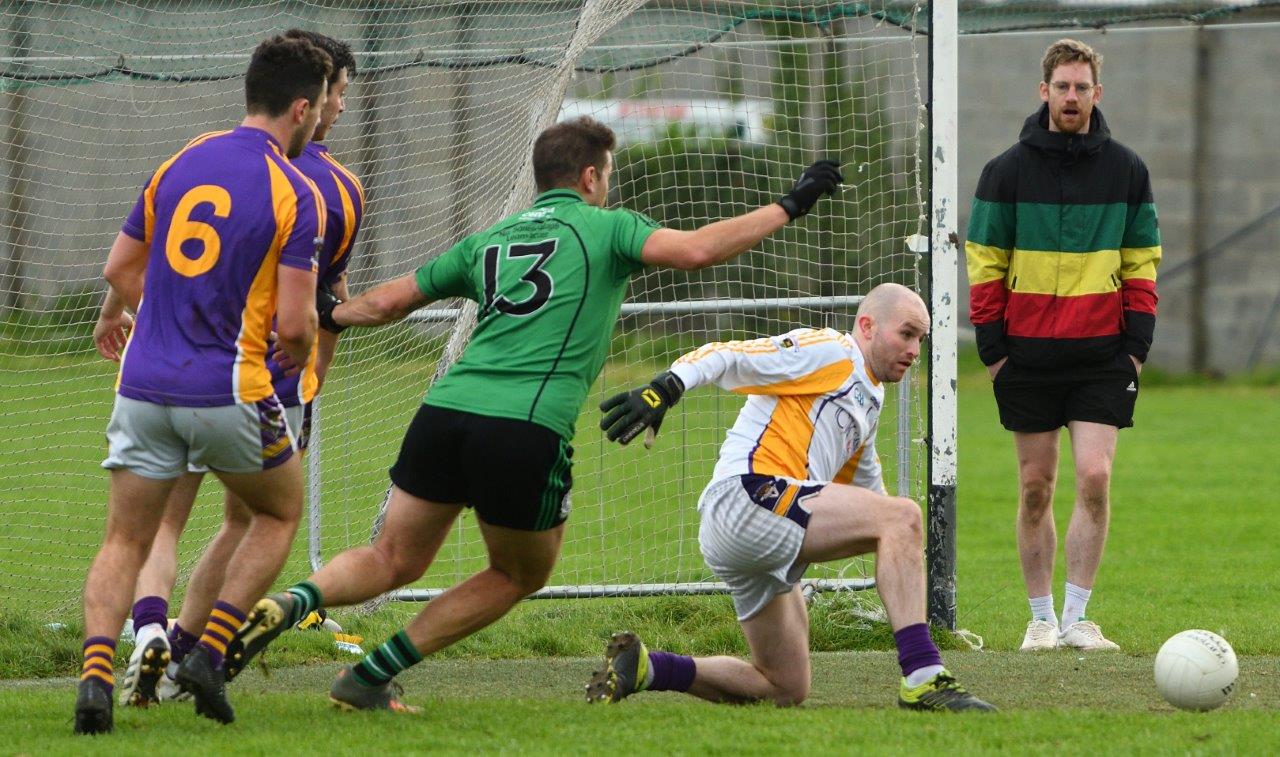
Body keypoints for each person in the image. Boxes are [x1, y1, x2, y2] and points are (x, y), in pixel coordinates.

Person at [221, 116, 844, 710]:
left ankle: (294, 599)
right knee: (518, 573)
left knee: (391, 557)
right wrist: (788, 206)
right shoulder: (606, 227)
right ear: (590, 179)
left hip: (443, 411)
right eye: (608, 174)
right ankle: (369, 675)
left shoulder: (492, 237)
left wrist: (329, 312)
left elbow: (389, 302)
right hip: (524, 426)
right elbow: (699, 250)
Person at [96, 29, 363, 711]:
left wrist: (146, 318)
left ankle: (122, 654)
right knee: (268, 516)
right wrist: (304, 363)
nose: (338, 108)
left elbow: (123, 267)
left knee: (140, 531)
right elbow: (309, 318)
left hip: (149, 378)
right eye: (336, 95)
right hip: (241, 385)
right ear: (311, 104)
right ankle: (207, 650)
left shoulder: (185, 157)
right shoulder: (314, 188)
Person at [585, 284, 994, 711]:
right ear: (867, 326)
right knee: (902, 517)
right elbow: (728, 355)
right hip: (746, 497)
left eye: (920, 340)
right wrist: (664, 388)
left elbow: (870, 497)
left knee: (785, 686)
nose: (914, 349)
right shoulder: (833, 351)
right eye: (906, 334)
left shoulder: (870, 398)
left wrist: (899, 544)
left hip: (752, 533)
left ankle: (648, 668)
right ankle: (924, 676)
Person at [964, 39, 1161, 652]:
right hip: (1025, 357)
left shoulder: (1127, 169)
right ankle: (1040, 619)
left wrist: (1135, 347)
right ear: (1043, 91)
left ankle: (1078, 618)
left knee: (1096, 478)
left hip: (1103, 356)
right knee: (1035, 487)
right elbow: (985, 263)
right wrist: (994, 350)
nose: (1071, 97)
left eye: (1082, 88)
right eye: (1062, 87)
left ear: (1097, 95)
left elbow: (1142, 262)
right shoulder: (1004, 170)